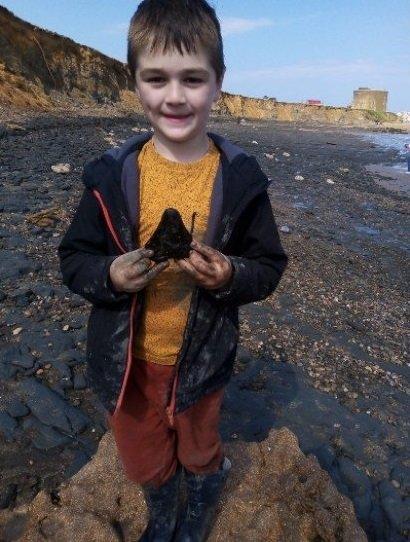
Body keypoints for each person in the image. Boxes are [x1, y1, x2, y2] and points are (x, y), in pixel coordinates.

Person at [58, 1, 288, 540]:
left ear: (218, 83)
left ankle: (203, 491)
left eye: (193, 78)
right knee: (141, 456)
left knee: (200, 447)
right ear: (135, 81)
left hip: (202, 360)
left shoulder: (241, 180)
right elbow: (74, 259)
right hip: (128, 362)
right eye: (156, 78)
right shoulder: (111, 178)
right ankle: (163, 509)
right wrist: (110, 276)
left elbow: (269, 265)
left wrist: (229, 275)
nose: (175, 95)